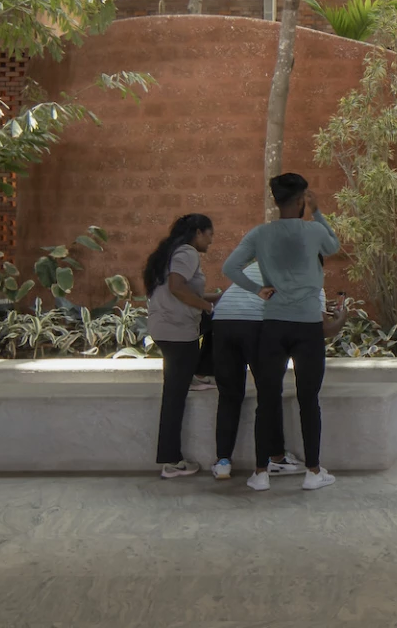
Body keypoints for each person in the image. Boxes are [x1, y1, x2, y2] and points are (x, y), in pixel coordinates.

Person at [220, 170, 343, 492]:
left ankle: (261, 473)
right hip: (308, 326)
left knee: (267, 398)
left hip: (273, 324)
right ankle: (313, 472)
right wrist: (318, 211)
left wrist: (258, 289)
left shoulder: (260, 234)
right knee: (308, 399)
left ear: (275, 200)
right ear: (302, 199)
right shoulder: (313, 230)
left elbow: (229, 267)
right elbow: (333, 246)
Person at [143, 212, 218, 479]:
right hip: (177, 331)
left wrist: (215, 299)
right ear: (198, 233)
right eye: (209, 235)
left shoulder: (171, 251)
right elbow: (176, 287)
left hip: (166, 327)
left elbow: (180, 290)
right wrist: (207, 306)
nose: (211, 241)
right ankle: (171, 461)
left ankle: (197, 373)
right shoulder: (188, 252)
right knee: (174, 397)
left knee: (217, 322)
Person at [203, 253, 272, 484]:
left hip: (223, 321)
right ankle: (271, 459)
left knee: (229, 395)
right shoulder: (286, 269)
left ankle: (223, 462)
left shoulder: (252, 268)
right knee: (268, 392)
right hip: (254, 323)